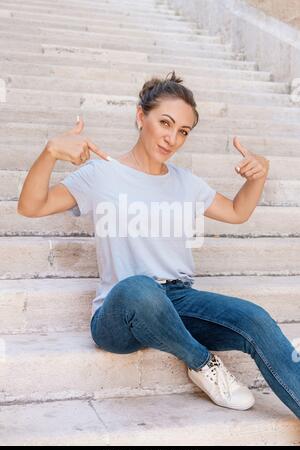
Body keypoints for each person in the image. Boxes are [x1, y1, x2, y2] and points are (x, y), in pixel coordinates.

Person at [17, 71, 300, 417]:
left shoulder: (186, 183)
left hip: (179, 299)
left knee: (255, 318)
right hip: (122, 309)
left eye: (182, 131)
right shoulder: (102, 174)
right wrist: (50, 153)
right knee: (140, 288)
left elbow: (238, 211)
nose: (172, 138)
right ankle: (202, 361)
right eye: (165, 123)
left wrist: (259, 176)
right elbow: (31, 206)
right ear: (141, 116)